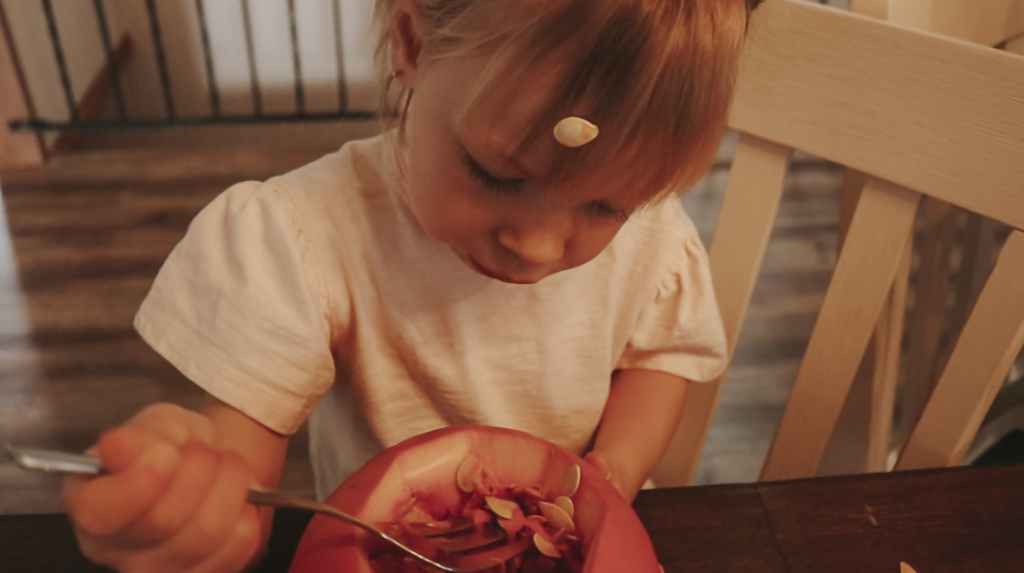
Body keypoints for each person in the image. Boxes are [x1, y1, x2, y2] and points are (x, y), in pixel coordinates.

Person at [63, 0, 756, 571]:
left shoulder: (651, 235)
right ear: (412, 43)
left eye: (605, 207)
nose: (539, 246)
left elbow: (660, 354)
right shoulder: (308, 238)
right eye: (496, 174)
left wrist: (617, 466)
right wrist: (192, 493)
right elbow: (238, 460)